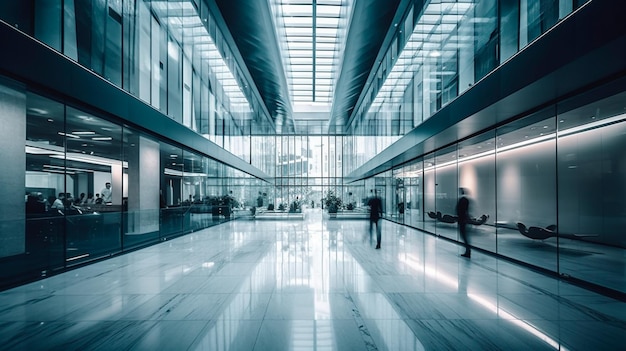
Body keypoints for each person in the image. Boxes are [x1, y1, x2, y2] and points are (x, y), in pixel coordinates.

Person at [456, 187, 471, 258]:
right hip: (463, 220)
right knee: (464, 236)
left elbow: (461, 210)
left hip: (462, 220)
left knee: (464, 236)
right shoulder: (465, 200)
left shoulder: (463, 200)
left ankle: (468, 251)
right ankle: (467, 250)